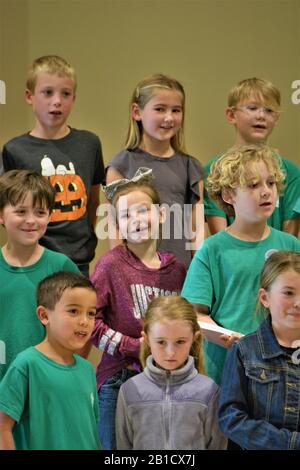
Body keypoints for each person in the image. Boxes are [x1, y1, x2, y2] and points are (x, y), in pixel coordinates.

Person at [182, 145, 300, 385]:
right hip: (227, 372)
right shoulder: (212, 249)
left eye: (271, 183)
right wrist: (229, 337)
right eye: (253, 185)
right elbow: (193, 313)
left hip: (282, 372)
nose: (266, 192)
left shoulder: (290, 245)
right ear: (228, 195)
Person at [90, 171, 187, 449]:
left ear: (161, 215)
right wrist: (133, 346)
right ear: (117, 226)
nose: (136, 220)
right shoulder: (111, 265)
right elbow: (91, 324)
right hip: (118, 380)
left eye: (143, 211)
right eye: (126, 215)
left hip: (165, 379)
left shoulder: (177, 270)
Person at [1, 55, 105, 276]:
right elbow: (8, 208)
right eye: (47, 93)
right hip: (31, 261)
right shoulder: (14, 150)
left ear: (74, 98)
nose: (57, 101)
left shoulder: (89, 144)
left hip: (78, 262)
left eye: (65, 94)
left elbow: (93, 199)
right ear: (29, 96)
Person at [106, 73, 204, 266]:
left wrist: (199, 274)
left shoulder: (190, 167)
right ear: (137, 112)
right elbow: (114, 229)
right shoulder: (121, 165)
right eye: (160, 109)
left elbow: (197, 230)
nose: (169, 117)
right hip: (136, 275)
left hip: (179, 273)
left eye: (176, 110)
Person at [0, 271, 100, 450]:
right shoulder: (26, 364)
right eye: (73, 311)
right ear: (44, 316)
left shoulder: (87, 369)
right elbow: (2, 427)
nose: (84, 321)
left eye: (91, 313)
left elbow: (90, 432)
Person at [115, 295, 227, 450]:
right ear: (146, 339)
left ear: (193, 339)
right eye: (161, 342)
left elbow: (217, 446)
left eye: (180, 342)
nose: (170, 352)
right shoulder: (129, 390)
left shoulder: (209, 391)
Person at [0, 169, 79, 382]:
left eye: (40, 212)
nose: (31, 220)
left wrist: (66, 366)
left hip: (46, 381)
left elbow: (84, 320)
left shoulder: (61, 266)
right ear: (1, 215)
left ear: (50, 216)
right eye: (21, 211)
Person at [218, 251, 300, 450]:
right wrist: (290, 443)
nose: (298, 303)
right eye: (288, 293)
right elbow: (231, 418)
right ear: (265, 298)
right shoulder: (243, 351)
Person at [204, 77, 300, 237]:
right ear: (231, 114)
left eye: (269, 110)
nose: (261, 115)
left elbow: (289, 239)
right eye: (253, 108)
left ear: (277, 118)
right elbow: (219, 237)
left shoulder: (291, 172)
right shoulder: (213, 169)